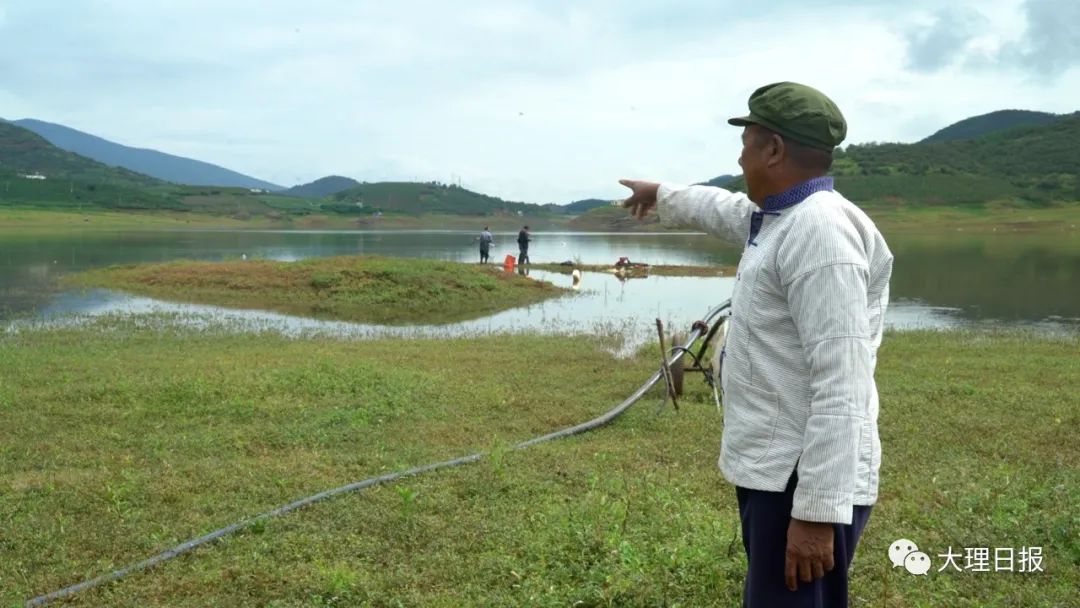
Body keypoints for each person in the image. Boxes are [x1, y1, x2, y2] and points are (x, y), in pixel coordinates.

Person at [621, 82, 893, 608]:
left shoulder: (820, 235)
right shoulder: (783, 216)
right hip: (782, 472)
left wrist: (815, 513)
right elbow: (724, 209)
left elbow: (843, 383)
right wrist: (662, 194)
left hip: (802, 481)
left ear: (774, 150)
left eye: (746, 142)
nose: (739, 155)